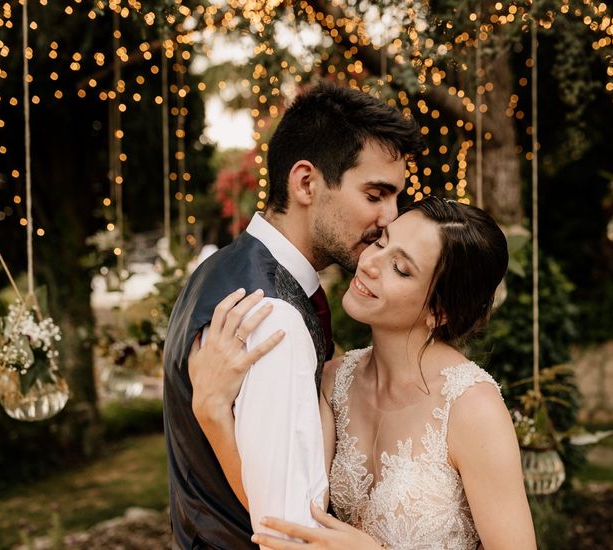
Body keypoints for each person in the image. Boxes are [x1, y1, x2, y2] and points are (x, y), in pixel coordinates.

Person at [162, 82, 424, 549]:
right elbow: (291, 535)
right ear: (305, 183)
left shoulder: (220, 269)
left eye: (395, 198)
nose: (391, 217)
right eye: (375, 194)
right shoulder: (273, 319)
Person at [191, 197, 537, 549]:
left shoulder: (472, 407)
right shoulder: (333, 382)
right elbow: (283, 521)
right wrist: (211, 413)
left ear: (440, 311)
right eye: (381, 242)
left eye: (400, 268)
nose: (370, 263)